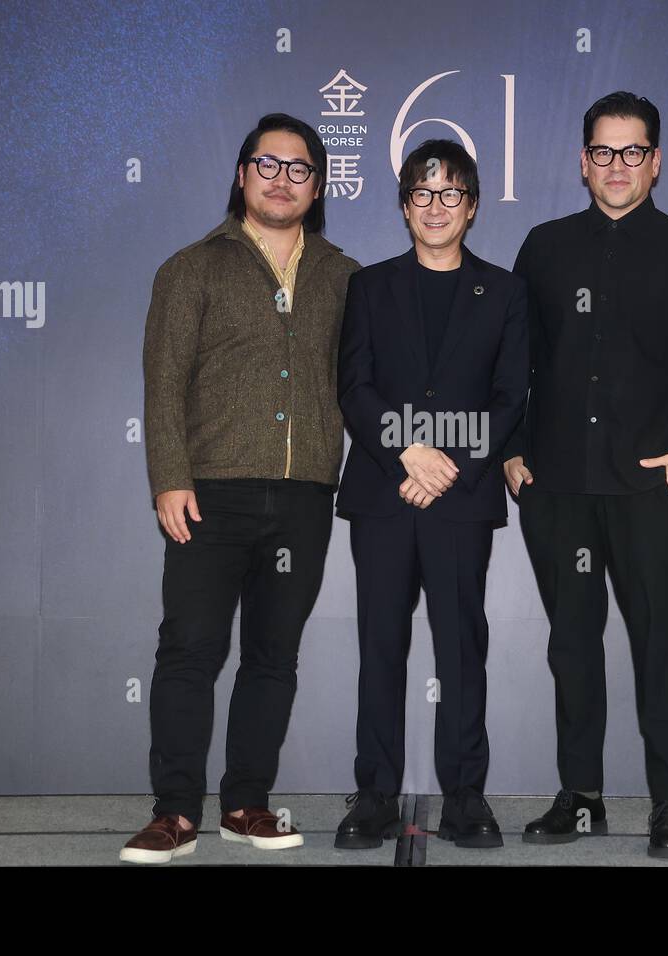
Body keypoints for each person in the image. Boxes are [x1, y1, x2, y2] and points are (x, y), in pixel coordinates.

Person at [504, 92, 668, 858]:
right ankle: (580, 799)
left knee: (658, 649)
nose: (618, 166)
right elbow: (514, 364)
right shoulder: (543, 248)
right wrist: (512, 453)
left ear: (656, 160)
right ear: (583, 163)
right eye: (604, 153)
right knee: (572, 646)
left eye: (633, 151)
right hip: (557, 490)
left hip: (646, 489)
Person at [121, 113, 360, 863]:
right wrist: (169, 477)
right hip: (209, 495)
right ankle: (176, 813)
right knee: (189, 651)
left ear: (317, 186)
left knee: (273, 657)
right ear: (241, 173)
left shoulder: (345, 277)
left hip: (304, 497)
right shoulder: (190, 268)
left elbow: (365, 383)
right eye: (268, 163)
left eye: (298, 168)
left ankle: (248, 803)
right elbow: (164, 385)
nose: (282, 178)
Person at [333, 139, 528, 849]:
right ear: (403, 207)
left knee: (460, 649)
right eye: (423, 193)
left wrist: (451, 464)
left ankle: (465, 798)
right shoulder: (369, 287)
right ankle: (375, 796)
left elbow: (511, 396)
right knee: (381, 646)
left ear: (472, 207)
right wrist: (408, 452)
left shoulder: (505, 291)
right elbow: (354, 387)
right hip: (385, 494)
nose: (437, 206)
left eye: (451, 194)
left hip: (461, 497)